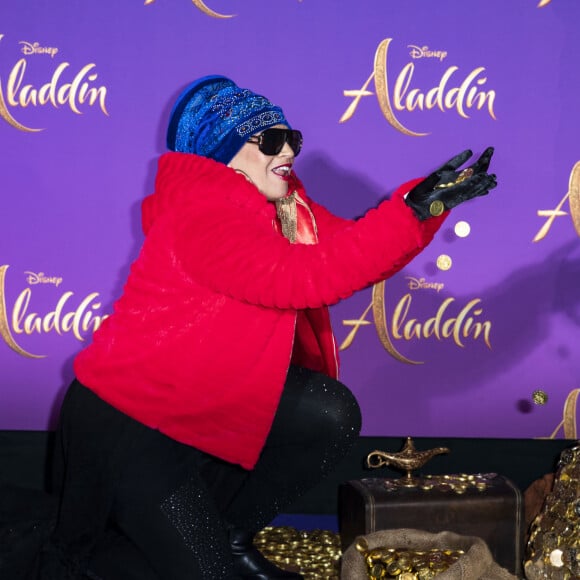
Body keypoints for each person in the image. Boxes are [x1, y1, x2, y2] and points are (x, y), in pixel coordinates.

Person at [17, 75, 496, 580]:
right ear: (223, 151)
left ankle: (231, 534)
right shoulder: (201, 215)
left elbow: (352, 248)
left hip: (200, 406)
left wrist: (421, 208)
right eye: (269, 140)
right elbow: (308, 277)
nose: (288, 149)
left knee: (329, 413)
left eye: (293, 138)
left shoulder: (284, 207)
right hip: (135, 430)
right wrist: (407, 213)